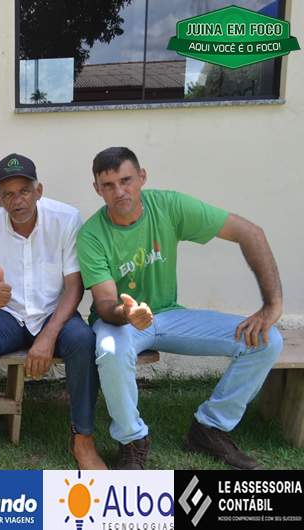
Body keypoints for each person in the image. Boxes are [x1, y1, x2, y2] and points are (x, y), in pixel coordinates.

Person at [78, 146, 283, 470]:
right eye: (108, 185)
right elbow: (104, 303)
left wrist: (272, 305)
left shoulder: (168, 206)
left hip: (169, 314)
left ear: (141, 177)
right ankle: (132, 439)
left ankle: (210, 428)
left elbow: (249, 233)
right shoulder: (92, 234)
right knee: (109, 349)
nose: (119, 191)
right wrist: (127, 313)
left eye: (126, 180)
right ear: (97, 189)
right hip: (122, 321)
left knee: (266, 341)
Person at [0, 153, 106, 470]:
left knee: (84, 340)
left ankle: (83, 438)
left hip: (54, 312)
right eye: (8, 194)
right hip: (7, 314)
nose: (17, 200)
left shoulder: (66, 219)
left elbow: (74, 286)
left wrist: (48, 336)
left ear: (39, 191)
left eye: (24, 191)